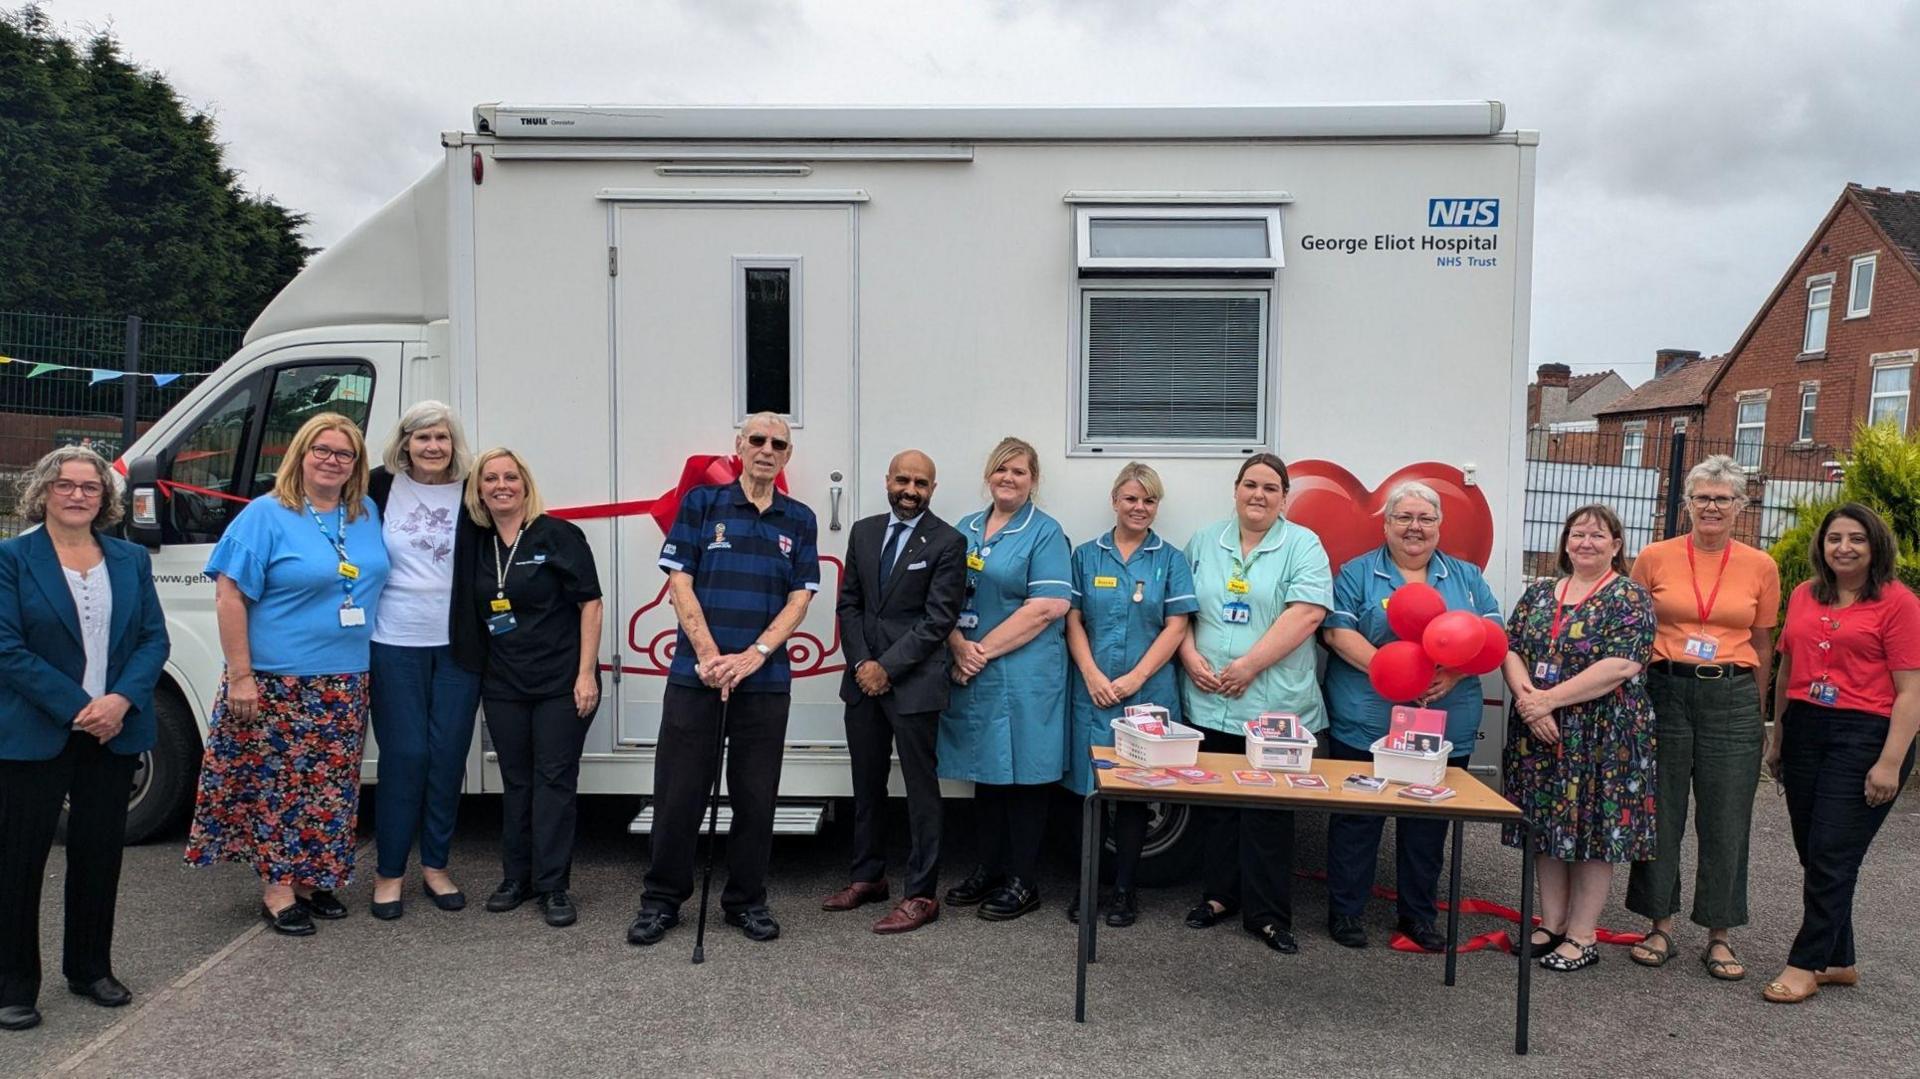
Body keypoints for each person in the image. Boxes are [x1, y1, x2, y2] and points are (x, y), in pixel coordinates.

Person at [185, 413, 391, 936]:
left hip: (344, 679)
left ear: (356, 465)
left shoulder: (364, 511)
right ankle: (278, 889)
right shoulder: (266, 514)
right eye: (321, 449)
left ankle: (310, 879)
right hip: (276, 679)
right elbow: (229, 594)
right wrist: (241, 675)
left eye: (344, 454)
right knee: (276, 787)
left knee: (329, 787)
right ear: (300, 454)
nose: (331, 460)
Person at [630, 413, 820, 946]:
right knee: (678, 796)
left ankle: (746, 900)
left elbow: (800, 597)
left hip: (764, 682)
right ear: (739, 446)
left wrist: (754, 656)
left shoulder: (799, 519)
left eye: (777, 443)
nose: (766, 449)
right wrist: (712, 657)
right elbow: (679, 582)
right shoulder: (701, 505)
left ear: (787, 456)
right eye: (756, 440)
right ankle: (661, 900)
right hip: (697, 679)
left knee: (757, 799)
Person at [0, 448, 169, 1032]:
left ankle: (90, 968)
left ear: (105, 498)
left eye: (90, 488)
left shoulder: (128, 560)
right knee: (18, 862)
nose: (77, 495)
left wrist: (119, 701)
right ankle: (14, 984)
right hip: (36, 732)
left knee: (99, 857)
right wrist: (82, 707)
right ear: (43, 491)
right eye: (65, 485)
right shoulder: (12, 559)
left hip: (116, 732)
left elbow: (153, 640)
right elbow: (6, 648)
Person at [1321, 480, 1500, 952]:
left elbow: (1492, 632)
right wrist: (1394, 673)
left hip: (1442, 724)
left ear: (1440, 526)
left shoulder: (1465, 577)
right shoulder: (1357, 574)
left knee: (1427, 825)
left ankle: (1418, 917)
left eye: (1425, 518)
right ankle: (1346, 912)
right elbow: (1337, 633)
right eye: (1404, 517)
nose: (1414, 527)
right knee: (1357, 821)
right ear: (1386, 524)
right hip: (1366, 720)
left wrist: (1454, 672)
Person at [1624, 455, 1779, 979]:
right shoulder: (1654, 556)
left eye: (1723, 498)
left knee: (1726, 818)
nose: (1712, 506)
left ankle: (1720, 934)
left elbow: (1763, 640)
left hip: (1731, 697)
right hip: (1666, 690)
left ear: (1740, 506)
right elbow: (1636, 628)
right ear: (1687, 503)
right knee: (1661, 812)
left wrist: (1758, 713)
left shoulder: (1761, 565)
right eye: (1702, 497)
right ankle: (1659, 924)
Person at [1761, 503, 1920, 1004]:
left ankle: (1806, 962)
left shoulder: (1899, 603)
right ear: (1822, 546)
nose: (1844, 548)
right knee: (1815, 851)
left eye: (1856, 539)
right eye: (1835, 539)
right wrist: (1779, 735)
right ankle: (1839, 959)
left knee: (1832, 852)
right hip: (1806, 726)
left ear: (1876, 546)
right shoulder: (1807, 595)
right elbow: (1787, 670)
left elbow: (1911, 692)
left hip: (1866, 734)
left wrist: (1891, 762)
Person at [1178, 454, 1331, 954]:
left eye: (1270, 487)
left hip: (1273, 705)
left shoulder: (1303, 545)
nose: (1258, 495)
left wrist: (1249, 665)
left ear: (1284, 496)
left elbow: (1306, 616)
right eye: (1250, 485)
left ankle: (1267, 915)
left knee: (1267, 812)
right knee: (1218, 808)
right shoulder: (1205, 541)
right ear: (1235, 490)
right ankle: (1219, 896)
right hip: (1210, 699)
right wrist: (1188, 657)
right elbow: (1178, 608)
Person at [1500, 503, 1655, 972]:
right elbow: (1510, 648)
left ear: (1617, 545)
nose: (1586, 542)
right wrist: (1530, 702)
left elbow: (1621, 666)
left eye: (1597, 535)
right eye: (1578, 534)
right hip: (1539, 734)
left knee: (1592, 831)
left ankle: (1583, 935)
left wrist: (1548, 702)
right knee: (1546, 828)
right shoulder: (1540, 594)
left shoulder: (1630, 597)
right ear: (1565, 542)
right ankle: (1552, 923)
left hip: (1602, 736)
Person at [822, 450, 967, 934]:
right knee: (866, 785)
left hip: (913, 685)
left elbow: (937, 619)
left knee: (921, 791)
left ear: (933, 488)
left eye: (921, 483)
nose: (910, 490)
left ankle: (922, 894)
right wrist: (863, 663)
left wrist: (887, 667)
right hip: (863, 682)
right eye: (903, 479)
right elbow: (850, 604)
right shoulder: (863, 532)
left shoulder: (948, 541)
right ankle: (868, 877)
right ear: (887, 480)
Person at [458, 448, 603, 928]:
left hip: (562, 682)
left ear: (525, 483)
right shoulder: (475, 543)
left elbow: (591, 604)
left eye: (510, 477)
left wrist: (586, 674)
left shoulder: (559, 535)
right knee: (517, 782)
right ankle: (515, 878)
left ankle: (554, 886)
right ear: (478, 489)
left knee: (554, 781)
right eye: (490, 478)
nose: (502, 485)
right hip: (503, 684)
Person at [938, 437, 1073, 922]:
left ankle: (1024, 880)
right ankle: (989, 869)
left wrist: (979, 652)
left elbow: (1048, 607)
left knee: (1026, 777)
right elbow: (939, 598)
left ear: (1033, 479)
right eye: (1001, 470)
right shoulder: (965, 529)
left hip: (1025, 672)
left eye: (1019, 471)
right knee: (988, 773)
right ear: (988, 475)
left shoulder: (1045, 533)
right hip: (973, 666)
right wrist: (957, 644)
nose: (1008, 478)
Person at [1063, 462, 1196, 928]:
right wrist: (1092, 674)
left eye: (1149, 500)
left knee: (1137, 795)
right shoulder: (1086, 556)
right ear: (1115, 501)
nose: (1140, 508)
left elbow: (1177, 625)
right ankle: (1088, 887)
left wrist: (1136, 678)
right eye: (1131, 499)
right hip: (1093, 692)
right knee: (1090, 793)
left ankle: (1124, 891)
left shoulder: (1171, 559)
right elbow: (1073, 619)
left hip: (1147, 694)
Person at [366, 401, 483, 920]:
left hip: (459, 645)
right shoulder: (376, 487)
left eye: (442, 438)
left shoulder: (471, 489)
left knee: (447, 755)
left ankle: (436, 866)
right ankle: (389, 872)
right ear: (404, 443)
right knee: (405, 755)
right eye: (422, 438)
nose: (433, 447)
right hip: (393, 640)